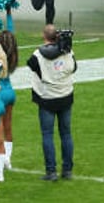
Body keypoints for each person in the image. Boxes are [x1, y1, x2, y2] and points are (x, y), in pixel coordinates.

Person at [27, 24, 77, 181]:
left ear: (44, 36)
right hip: (65, 97)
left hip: (47, 99)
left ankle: (51, 172)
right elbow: (74, 68)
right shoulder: (68, 51)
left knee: (47, 135)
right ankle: (67, 170)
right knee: (66, 134)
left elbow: (31, 64)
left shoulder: (38, 54)